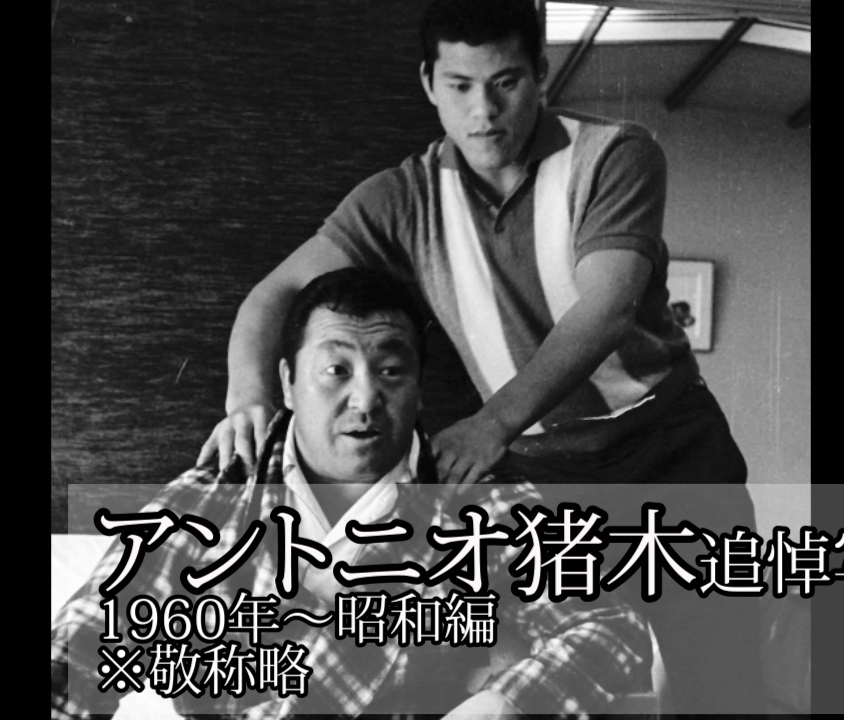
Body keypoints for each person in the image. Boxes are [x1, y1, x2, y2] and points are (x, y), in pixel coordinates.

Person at [197, 0, 764, 713]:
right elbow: (276, 293)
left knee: (721, 686)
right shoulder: (400, 197)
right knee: (588, 676)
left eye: (505, 82)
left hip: (671, 453)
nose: (483, 112)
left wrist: (491, 424)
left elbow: (607, 307)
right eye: (460, 85)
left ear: (541, 74)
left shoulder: (616, 153)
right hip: (543, 479)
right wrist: (248, 396)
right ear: (429, 83)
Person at [52, 268, 653, 719]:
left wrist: (502, 705)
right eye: (336, 370)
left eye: (390, 371)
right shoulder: (211, 499)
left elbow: (611, 627)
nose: (365, 399)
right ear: (288, 382)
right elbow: (81, 645)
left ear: (418, 388)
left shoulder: (481, 504)